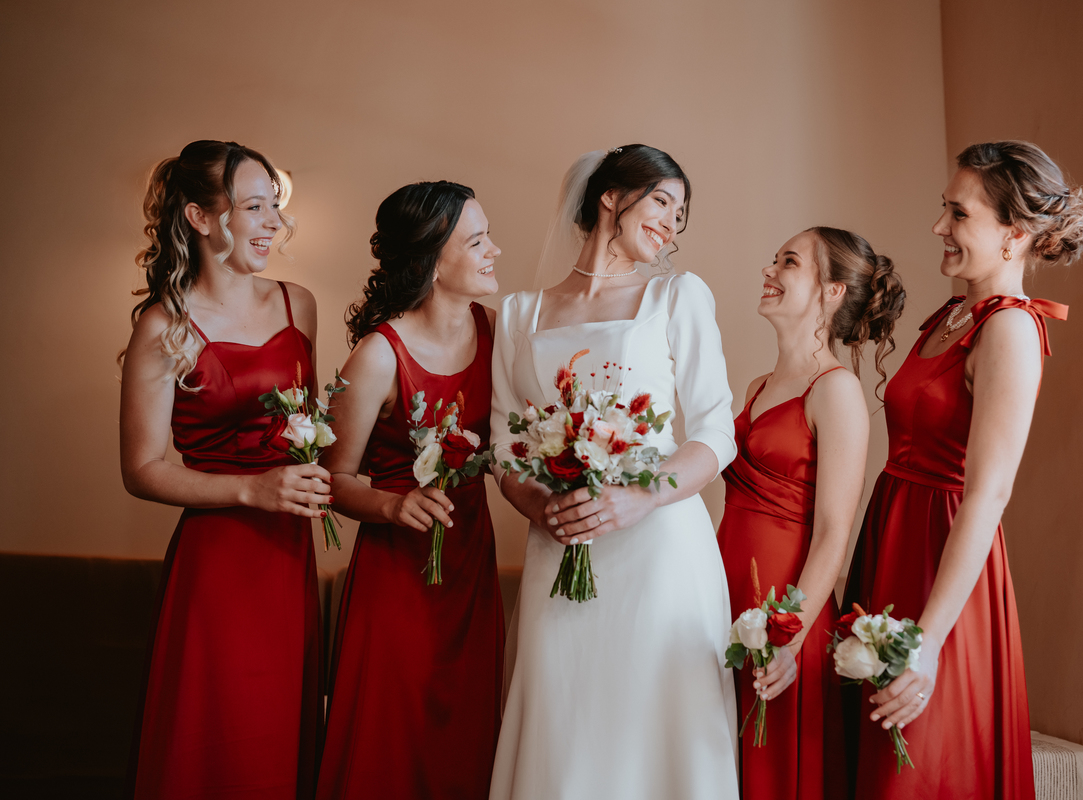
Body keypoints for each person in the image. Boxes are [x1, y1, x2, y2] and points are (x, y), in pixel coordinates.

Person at [488, 145, 740, 799]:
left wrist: (638, 498)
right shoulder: (519, 315)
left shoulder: (677, 296)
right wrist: (540, 507)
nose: (672, 225)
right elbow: (506, 448)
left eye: (681, 215)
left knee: (657, 733)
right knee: (566, 725)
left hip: (660, 550)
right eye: (662, 201)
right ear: (610, 198)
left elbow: (716, 430)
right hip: (561, 543)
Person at [842, 140, 1083, 799]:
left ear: (1013, 234)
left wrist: (926, 642)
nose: (939, 228)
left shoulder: (1008, 331)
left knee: (917, 771)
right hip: (891, 544)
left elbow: (988, 493)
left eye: (958, 214)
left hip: (942, 567)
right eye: (943, 209)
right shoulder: (951, 315)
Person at [119, 140, 326, 799]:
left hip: (290, 554)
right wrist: (251, 489)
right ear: (201, 218)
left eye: (276, 207)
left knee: (280, 740)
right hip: (217, 561)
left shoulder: (300, 304)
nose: (273, 223)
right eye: (255, 206)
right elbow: (142, 468)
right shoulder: (164, 326)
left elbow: (310, 430)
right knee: (216, 742)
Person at [315, 181, 504, 799]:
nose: (493, 250)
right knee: (389, 743)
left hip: (471, 564)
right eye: (477, 241)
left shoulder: (496, 332)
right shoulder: (376, 356)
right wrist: (394, 505)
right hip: (397, 575)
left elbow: (513, 449)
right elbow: (332, 482)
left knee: (467, 736)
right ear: (431, 260)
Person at [719, 227, 904, 799]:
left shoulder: (837, 391)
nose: (769, 271)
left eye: (789, 262)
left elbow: (833, 534)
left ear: (831, 290)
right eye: (774, 259)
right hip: (721, 594)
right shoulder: (756, 387)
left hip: (784, 605)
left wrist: (788, 635)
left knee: (773, 768)